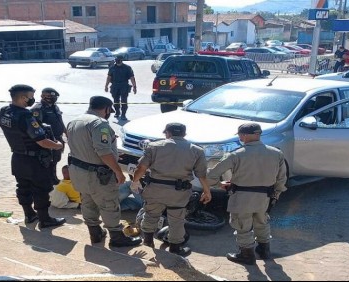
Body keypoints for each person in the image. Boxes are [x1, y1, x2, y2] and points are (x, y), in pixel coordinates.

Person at [206, 123, 287, 265]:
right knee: (262, 222)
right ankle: (264, 250)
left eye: (239, 135)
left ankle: (247, 255)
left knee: (242, 226)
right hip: (265, 197)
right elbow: (281, 180)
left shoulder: (236, 154)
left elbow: (211, 176)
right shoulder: (276, 153)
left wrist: (220, 185)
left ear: (243, 135)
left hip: (241, 198)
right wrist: (276, 195)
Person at [66, 96, 142, 247]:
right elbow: (103, 152)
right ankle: (116, 237)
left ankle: (95, 233)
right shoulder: (99, 124)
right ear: (106, 109)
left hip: (78, 171)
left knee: (87, 202)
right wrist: (118, 172)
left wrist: (113, 154)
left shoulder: (74, 121)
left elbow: (85, 147)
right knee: (109, 204)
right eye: (109, 111)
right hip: (98, 175)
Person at [131, 122, 212, 257]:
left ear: (167, 133)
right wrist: (207, 191)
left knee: (151, 214)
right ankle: (175, 248)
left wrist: (135, 182)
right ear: (184, 134)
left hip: (155, 189)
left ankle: (148, 242)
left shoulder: (154, 146)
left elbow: (141, 168)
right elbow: (202, 174)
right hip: (178, 192)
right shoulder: (196, 150)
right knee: (177, 220)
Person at [0, 84, 66, 228]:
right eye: (30, 97)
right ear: (23, 98)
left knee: (23, 187)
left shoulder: (4, 112)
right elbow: (41, 141)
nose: (32, 100)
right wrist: (58, 145)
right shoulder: (26, 116)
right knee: (41, 189)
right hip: (34, 160)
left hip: (17, 157)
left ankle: (29, 214)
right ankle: (44, 219)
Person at [31, 87, 66, 185]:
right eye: (48, 96)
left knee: (55, 159)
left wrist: (66, 132)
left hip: (58, 138)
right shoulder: (38, 109)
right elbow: (36, 127)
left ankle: (52, 178)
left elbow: (60, 121)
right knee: (47, 161)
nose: (51, 98)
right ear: (42, 96)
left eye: (53, 96)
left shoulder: (55, 107)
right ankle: (47, 180)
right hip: (47, 140)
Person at [104, 55, 137, 121]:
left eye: (119, 60)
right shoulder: (112, 68)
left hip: (124, 85)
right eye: (116, 60)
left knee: (124, 101)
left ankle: (123, 114)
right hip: (115, 85)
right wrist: (106, 86)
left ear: (122, 60)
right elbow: (109, 77)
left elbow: (132, 78)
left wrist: (134, 87)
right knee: (115, 100)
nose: (117, 62)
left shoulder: (127, 68)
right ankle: (117, 112)